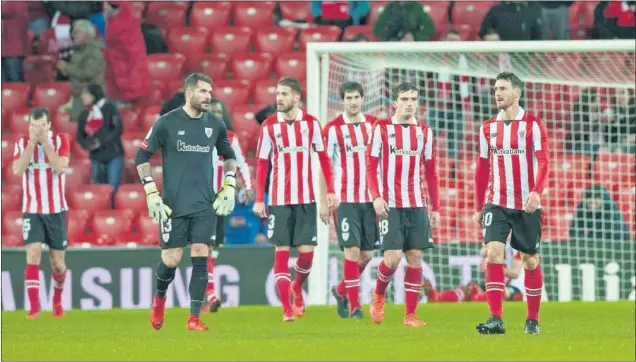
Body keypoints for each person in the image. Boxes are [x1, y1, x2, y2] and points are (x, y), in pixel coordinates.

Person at [135, 73, 237, 332]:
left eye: (210, 92)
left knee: (201, 253)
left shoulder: (216, 124)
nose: (208, 97)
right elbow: (141, 155)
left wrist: (229, 185)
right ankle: (159, 299)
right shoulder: (166, 123)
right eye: (203, 91)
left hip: (205, 203)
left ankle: (194, 317)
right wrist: (151, 192)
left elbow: (229, 156)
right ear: (189, 93)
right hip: (173, 205)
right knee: (171, 259)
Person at [252, 76, 338, 322]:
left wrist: (329, 191)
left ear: (297, 97)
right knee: (280, 250)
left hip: (306, 199)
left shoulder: (311, 124)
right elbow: (262, 164)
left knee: (307, 253)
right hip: (279, 200)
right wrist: (260, 198)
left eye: (284, 94)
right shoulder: (269, 126)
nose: (278, 98)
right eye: (277, 94)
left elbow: (324, 159)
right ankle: (286, 309)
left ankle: (297, 287)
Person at [473, 71, 550, 335]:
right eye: (496, 88)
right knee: (494, 252)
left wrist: (537, 191)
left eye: (503, 88)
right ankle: (495, 318)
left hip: (526, 204)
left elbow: (543, 160)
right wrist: (479, 205)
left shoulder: (533, 125)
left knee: (529, 260)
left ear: (516, 93)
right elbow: (482, 168)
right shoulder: (487, 128)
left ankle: (532, 319)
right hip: (496, 202)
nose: (498, 93)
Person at [366, 82, 441, 327]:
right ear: (395, 103)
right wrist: (376, 196)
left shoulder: (425, 132)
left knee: (416, 256)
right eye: (405, 99)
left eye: (413, 99)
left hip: (417, 204)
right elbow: (370, 166)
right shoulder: (382, 129)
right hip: (390, 205)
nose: (410, 103)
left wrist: (436, 207)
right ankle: (378, 295)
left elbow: (431, 172)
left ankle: (410, 315)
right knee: (392, 258)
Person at [322, 82, 378, 319]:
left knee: (367, 256)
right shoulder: (332, 129)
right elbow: (325, 165)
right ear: (342, 101)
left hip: (370, 200)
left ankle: (341, 289)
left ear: (362, 99)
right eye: (349, 97)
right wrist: (326, 198)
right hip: (345, 200)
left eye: (357, 97)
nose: (353, 101)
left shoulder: (374, 125)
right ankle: (356, 307)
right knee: (352, 251)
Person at [12, 108, 70, 319]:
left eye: (41, 126)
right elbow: (17, 170)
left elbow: (61, 167)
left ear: (49, 126)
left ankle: (57, 300)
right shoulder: (21, 143)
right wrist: (30, 144)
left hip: (56, 211)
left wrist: (44, 143)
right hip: (32, 209)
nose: (37, 130)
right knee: (33, 252)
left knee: (57, 263)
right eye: (34, 126)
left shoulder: (61, 140)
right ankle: (34, 309)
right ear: (29, 126)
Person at [203, 104, 254, 313]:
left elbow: (241, 164)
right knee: (203, 246)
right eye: (211, 112)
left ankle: (208, 292)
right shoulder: (194, 136)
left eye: (218, 113)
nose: (215, 116)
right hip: (201, 198)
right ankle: (211, 293)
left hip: (222, 199)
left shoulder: (230, 138)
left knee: (213, 248)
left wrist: (249, 186)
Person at [423, 242, 524, 303]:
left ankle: (476, 297)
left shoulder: (517, 246)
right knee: (468, 289)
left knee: (500, 291)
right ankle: (437, 297)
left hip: (514, 288)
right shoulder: (494, 242)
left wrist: (492, 267)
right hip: (494, 285)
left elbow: (515, 273)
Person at [76, 84, 124, 205]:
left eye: (86, 93)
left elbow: (118, 129)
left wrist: (101, 142)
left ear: (94, 95)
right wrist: (88, 145)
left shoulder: (109, 108)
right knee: (99, 190)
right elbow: (80, 136)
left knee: (113, 189)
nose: (83, 96)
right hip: (96, 157)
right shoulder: (84, 114)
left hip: (113, 154)